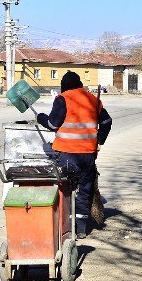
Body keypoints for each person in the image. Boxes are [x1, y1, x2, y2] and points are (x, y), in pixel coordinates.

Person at [36, 71, 112, 239]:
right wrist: (98, 142)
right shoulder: (93, 100)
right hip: (88, 156)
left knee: (65, 188)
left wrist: (40, 117)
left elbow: (52, 124)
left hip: (67, 155)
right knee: (85, 190)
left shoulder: (63, 98)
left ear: (64, 86)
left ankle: (63, 225)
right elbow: (106, 122)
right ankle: (82, 228)